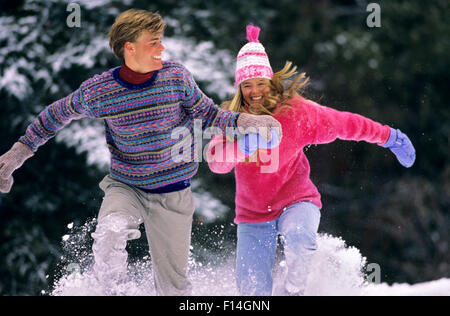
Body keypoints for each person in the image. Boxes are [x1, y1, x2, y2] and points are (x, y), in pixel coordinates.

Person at [0, 11, 282, 296]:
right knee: (110, 232)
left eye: (161, 42)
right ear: (129, 47)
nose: (162, 49)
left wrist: (248, 122)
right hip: (126, 186)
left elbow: (208, 114)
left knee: (174, 289)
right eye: (154, 43)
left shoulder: (175, 77)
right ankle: (107, 292)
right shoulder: (101, 91)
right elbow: (55, 114)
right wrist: (17, 154)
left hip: (174, 193)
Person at [206, 25, 416, 296]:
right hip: (253, 214)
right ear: (239, 88)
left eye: (260, 83)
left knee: (300, 238)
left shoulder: (295, 113)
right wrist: (242, 146)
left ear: (271, 83)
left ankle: (293, 291)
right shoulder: (231, 118)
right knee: (251, 292)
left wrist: (388, 136)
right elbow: (215, 161)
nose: (255, 91)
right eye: (247, 85)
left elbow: (344, 123)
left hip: (296, 201)